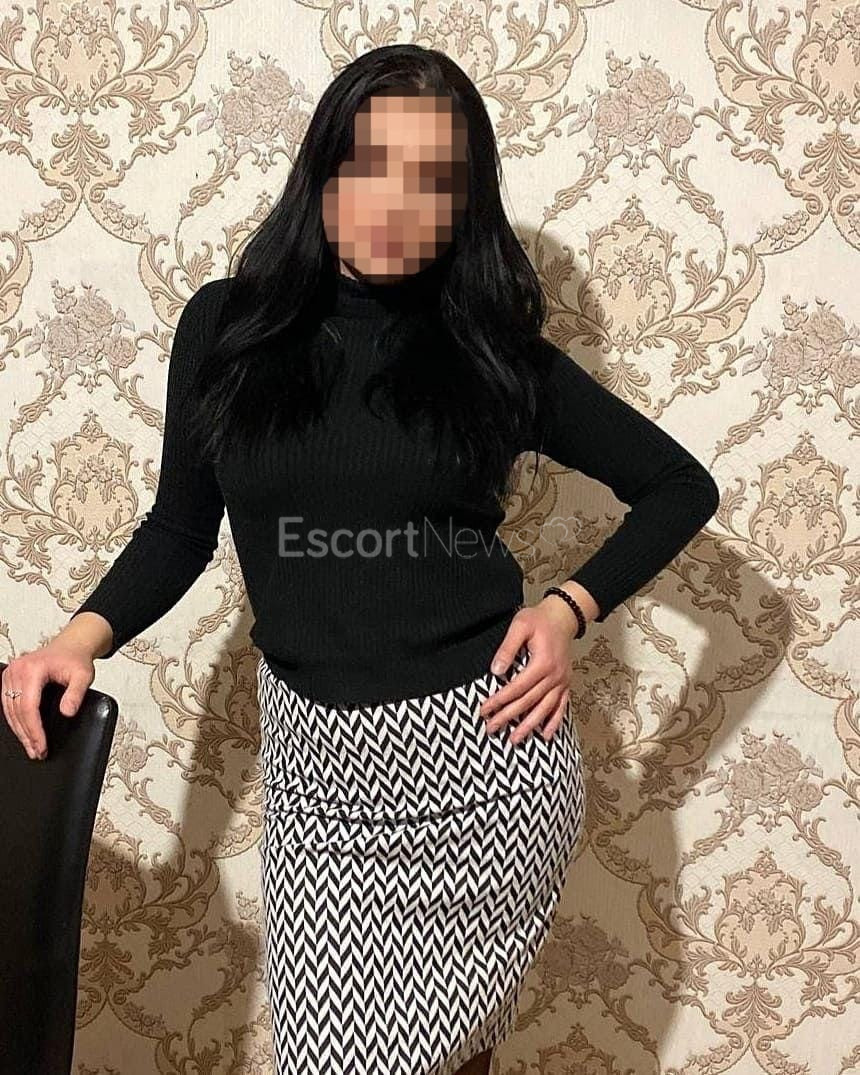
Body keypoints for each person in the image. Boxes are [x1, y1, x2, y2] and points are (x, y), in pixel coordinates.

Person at [1, 44, 719, 1075]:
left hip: (483, 772)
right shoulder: (228, 327)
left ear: (463, 206)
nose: (394, 202)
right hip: (316, 778)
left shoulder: (490, 353)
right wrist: (80, 639)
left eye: (432, 180)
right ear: (324, 171)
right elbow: (178, 528)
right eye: (370, 164)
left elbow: (679, 485)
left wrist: (567, 608)